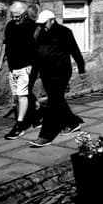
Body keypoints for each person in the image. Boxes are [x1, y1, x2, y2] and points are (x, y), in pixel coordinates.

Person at [30, 10, 86, 148]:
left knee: (53, 102)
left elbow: (75, 51)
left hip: (61, 72)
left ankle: (45, 136)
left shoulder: (64, 32)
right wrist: (32, 79)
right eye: (40, 24)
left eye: (44, 23)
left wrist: (81, 69)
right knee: (57, 99)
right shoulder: (40, 33)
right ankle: (73, 123)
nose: (42, 26)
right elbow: (37, 57)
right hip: (46, 73)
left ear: (52, 20)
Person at [0, 1, 37, 140]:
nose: (14, 18)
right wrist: (1, 60)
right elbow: (5, 43)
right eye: (12, 15)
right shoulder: (10, 25)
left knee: (22, 95)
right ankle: (35, 116)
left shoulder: (32, 27)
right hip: (13, 67)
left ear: (25, 14)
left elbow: (37, 47)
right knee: (18, 96)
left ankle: (19, 126)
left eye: (17, 16)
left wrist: (32, 64)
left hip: (26, 67)